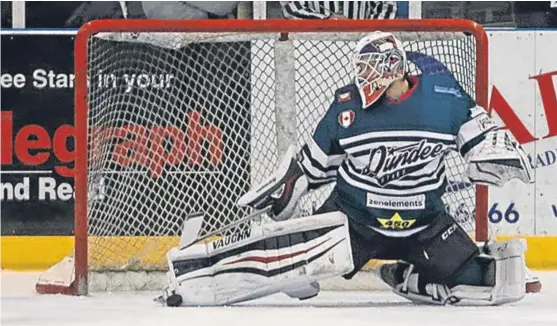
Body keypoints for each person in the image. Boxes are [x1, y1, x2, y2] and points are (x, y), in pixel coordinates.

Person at [161, 32, 534, 307]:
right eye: (361, 69)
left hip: (425, 222)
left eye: (372, 69)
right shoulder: (347, 107)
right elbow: (311, 167)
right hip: (352, 222)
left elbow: (482, 136)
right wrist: (287, 191)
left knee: (488, 282)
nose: (364, 77)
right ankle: (197, 275)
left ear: (394, 68)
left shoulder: (443, 97)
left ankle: (408, 276)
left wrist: (492, 153)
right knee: (287, 272)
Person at [280, 1, 396, 20]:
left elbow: (387, 7)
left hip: (362, 42)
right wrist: (326, 21)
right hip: (314, 44)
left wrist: (362, 28)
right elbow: (290, 8)